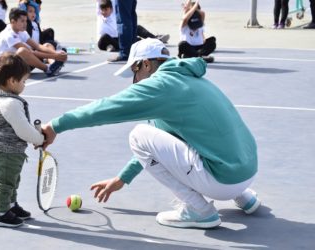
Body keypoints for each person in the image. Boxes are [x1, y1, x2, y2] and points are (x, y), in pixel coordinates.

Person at [40, 38, 261, 229]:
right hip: (247, 172)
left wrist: (56, 125)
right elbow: (160, 144)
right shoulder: (191, 79)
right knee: (203, 135)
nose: (134, 81)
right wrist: (122, 179)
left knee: (138, 135)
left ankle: (200, 210)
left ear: (145, 64)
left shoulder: (160, 86)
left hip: (221, 180)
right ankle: (243, 197)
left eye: (134, 72)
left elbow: (105, 109)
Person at [0, 52, 45, 228]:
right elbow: (22, 129)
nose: (24, 85)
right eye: (23, 81)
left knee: (13, 180)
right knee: (5, 183)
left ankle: (11, 206)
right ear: (12, 81)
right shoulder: (9, 103)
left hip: (9, 150)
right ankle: (1, 213)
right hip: (5, 152)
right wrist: (39, 138)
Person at [0, 8, 67, 77]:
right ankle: (48, 69)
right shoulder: (9, 34)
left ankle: (54, 64)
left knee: (47, 45)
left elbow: (37, 46)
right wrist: (55, 56)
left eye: (26, 21)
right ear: (13, 21)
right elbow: (30, 52)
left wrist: (56, 53)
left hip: (19, 63)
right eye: (22, 21)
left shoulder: (21, 31)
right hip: (7, 68)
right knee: (22, 51)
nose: (25, 24)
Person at [96, 0, 169, 52]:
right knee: (104, 37)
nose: (103, 12)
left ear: (111, 9)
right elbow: (99, 3)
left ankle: (155, 39)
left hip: (118, 38)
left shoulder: (114, 12)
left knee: (135, 28)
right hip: (106, 40)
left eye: (106, 10)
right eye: (102, 10)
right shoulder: (100, 14)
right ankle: (111, 46)